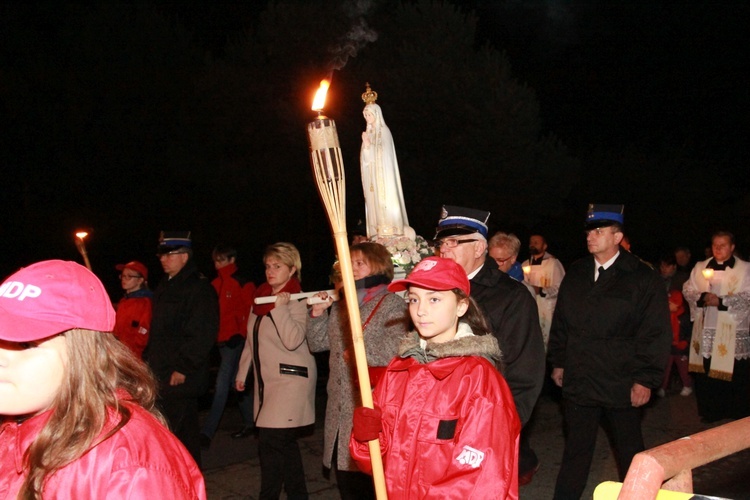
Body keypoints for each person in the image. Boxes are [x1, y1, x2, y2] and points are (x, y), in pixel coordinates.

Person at [0, 260, 205, 499]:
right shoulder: (12, 427)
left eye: (25, 343)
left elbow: (144, 332)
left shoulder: (129, 469)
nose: (124, 279)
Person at [349, 256, 521, 499]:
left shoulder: (478, 379)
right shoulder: (399, 369)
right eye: (414, 299)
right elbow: (378, 464)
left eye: (434, 299)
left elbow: (481, 479)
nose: (420, 310)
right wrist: (365, 440)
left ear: (461, 306)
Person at [548, 204, 671, 499]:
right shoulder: (577, 271)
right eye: (590, 230)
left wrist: (646, 379)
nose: (591, 236)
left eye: (599, 231)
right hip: (580, 376)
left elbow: (655, 332)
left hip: (621, 379)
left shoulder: (641, 276)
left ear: (618, 237)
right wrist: (559, 361)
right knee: (576, 450)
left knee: (630, 451)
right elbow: (561, 321)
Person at [435, 205, 544, 485]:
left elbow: (524, 372)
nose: (445, 249)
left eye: (454, 242)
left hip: (482, 429)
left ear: (479, 247)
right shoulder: (432, 293)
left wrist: (502, 429)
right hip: (434, 427)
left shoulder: (511, 297)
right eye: (442, 243)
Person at [307, 242, 410, 499]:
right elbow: (318, 343)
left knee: (369, 485)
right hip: (340, 411)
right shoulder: (344, 304)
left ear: (378, 266)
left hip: (369, 411)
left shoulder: (392, 305)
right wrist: (317, 314)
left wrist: (358, 354)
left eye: (359, 263)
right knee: (347, 484)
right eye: (348, 264)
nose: (351, 269)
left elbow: (395, 351)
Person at [236, 242, 317, 499]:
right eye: (268, 266)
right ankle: (298, 495)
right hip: (268, 383)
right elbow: (252, 339)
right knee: (282, 445)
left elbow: (293, 340)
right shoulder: (260, 298)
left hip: (291, 381)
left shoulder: (297, 299)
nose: (270, 271)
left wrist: (280, 308)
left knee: (271, 443)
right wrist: (242, 372)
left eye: (277, 266)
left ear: (292, 269)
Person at [145, 231, 219, 468]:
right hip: (161, 371)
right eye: (162, 255)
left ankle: (185, 481)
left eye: (170, 255)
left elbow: (201, 332)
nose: (163, 259)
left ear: (184, 257)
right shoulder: (165, 286)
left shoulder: (198, 288)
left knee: (179, 436)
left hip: (180, 376)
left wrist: (183, 368)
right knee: (174, 433)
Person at [682, 230, 750, 422]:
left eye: (723, 245)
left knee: (736, 373)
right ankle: (711, 411)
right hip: (707, 329)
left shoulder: (745, 269)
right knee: (707, 373)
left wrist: (721, 301)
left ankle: (737, 413)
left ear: (732, 247)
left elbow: (748, 295)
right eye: (715, 245)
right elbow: (688, 289)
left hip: (732, 329)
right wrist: (703, 297)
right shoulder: (700, 266)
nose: (718, 249)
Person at [200, 245, 256, 448]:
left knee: (222, 384)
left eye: (221, 260)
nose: (217, 265)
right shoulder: (214, 284)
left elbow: (250, 311)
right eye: (215, 261)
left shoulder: (242, 282)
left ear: (232, 260)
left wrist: (241, 334)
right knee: (235, 381)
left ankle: (207, 432)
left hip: (237, 341)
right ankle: (252, 422)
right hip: (222, 341)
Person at [360, 83, 414, 239]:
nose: (367, 118)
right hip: (374, 180)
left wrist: (370, 145)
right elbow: (366, 159)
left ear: (376, 114)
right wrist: (367, 147)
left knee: (388, 201)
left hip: (385, 177)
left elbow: (385, 155)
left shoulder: (384, 131)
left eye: (369, 115)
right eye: (365, 116)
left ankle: (394, 230)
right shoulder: (368, 133)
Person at [522, 234, 566, 348]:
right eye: (531, 242)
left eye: (536, 242)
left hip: (548, 309)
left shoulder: (553, 263)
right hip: (530, 309)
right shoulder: (524, 265)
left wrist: (541, 290)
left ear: (544, 246)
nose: (532, 244)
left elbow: (561, 287)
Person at [657, 289, 693, 397]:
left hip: (680, 347)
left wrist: (685, 341)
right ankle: (662, 387)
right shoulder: (664, 316)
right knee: (665, 368)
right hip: (668, 347)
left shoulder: (684, 317)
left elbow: (690, 331)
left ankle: (687, 385)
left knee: (683, 368)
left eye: (669, 303)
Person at [113, 260, 152, 359]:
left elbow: (144, 332)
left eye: (129, 276)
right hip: (120, 354)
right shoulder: (124, 301)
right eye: (123, 275)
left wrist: (134, 353)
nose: (124, 279)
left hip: (134, 358)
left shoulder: (145, 303)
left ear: (140, 280)